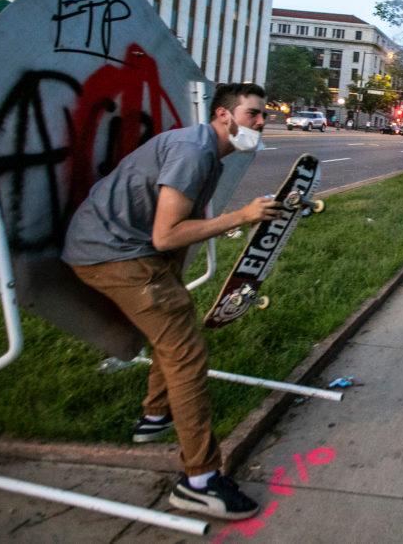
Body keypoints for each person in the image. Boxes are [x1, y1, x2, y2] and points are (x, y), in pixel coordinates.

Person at [62, 83, 281, 520]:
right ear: (223, 115)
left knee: (177, 330)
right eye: (252, 114)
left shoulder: (208, 154)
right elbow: (166, 233)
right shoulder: (194, 153)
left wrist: (172, 283)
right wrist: (241, 216)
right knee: (187, 354)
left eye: (263, 116)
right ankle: (199, 481)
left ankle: (155, 417)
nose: (260, 123)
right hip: (111, 254)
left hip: (130, 251)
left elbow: (171, 236)